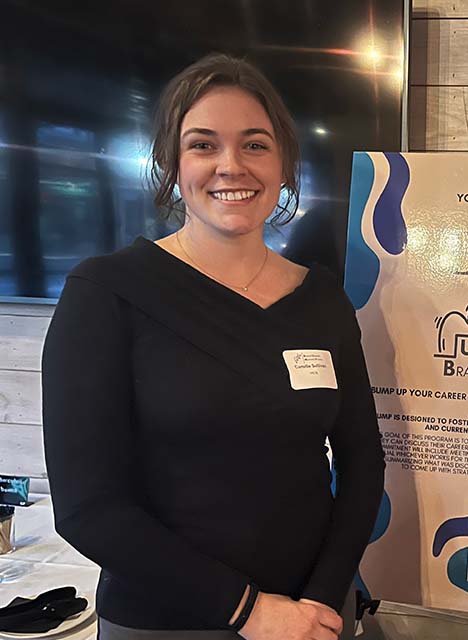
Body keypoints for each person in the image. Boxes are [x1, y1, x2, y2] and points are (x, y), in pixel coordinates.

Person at [41, 54, 385, 640]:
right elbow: (87, 509)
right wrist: (251, 613)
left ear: (283, 166)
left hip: (313, 617)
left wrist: (321, 604)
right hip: (166, 621)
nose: (231, 165)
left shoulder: (321, 299)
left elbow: (362, 462)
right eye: (203, 145)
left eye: (255, 144)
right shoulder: (106, 293)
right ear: (173, 166)